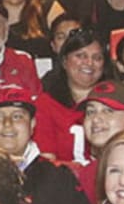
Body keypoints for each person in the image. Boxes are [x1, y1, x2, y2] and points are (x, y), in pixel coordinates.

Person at [32, 26, 107, 163]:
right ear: (65, 61)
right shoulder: (45, 105)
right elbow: (46, 162)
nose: (89, 63)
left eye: (97, 58)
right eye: (80, 56)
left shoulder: (121, 100)